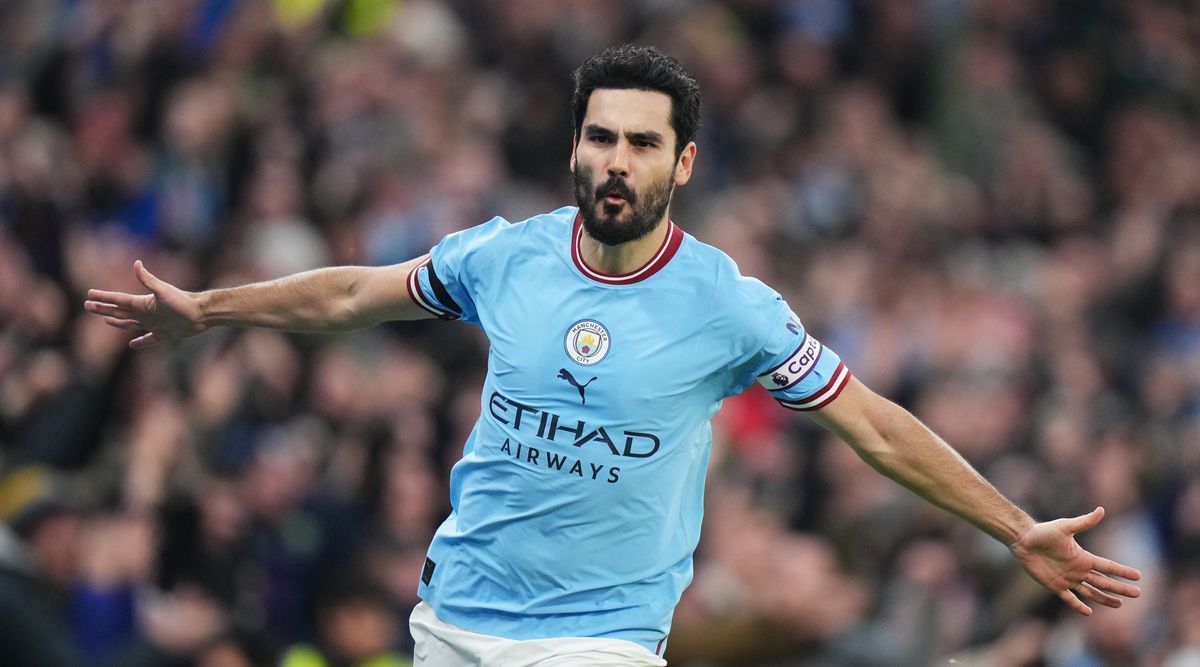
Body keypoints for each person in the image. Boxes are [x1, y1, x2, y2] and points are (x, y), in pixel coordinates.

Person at [85, 45, 1142, 666]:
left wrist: (1014, 528)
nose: (615, 161)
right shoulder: (505, 256)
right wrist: (212, 311)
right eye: (601, 137)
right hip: (453, 617)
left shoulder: (730, 304)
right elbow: (358, 293)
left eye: (641, 142)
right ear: (577, 144)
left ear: (682, 161)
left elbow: (869, 422)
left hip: (597, 641)